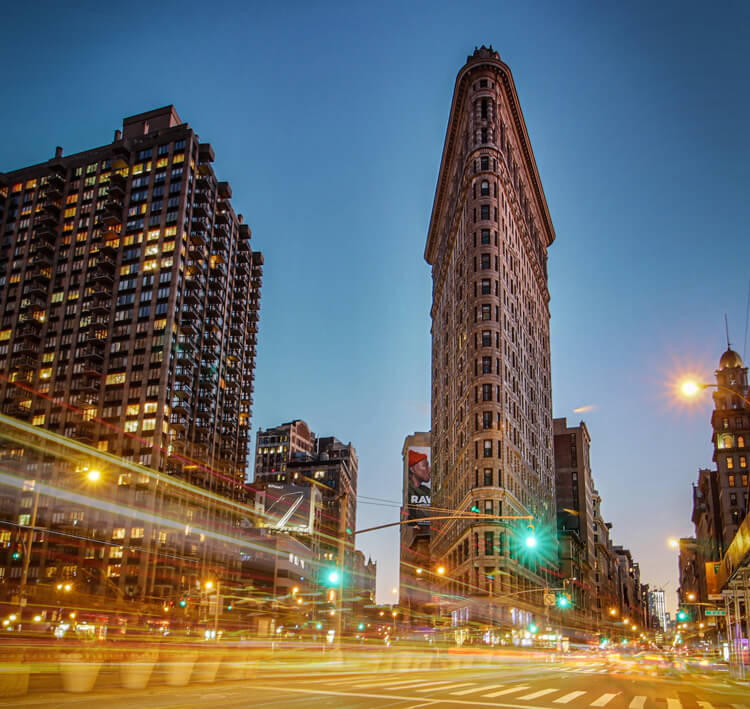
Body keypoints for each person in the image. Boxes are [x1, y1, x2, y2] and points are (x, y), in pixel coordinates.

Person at [407, 450, 431, 521]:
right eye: (424, 466)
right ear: (412, 469)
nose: (429, 470)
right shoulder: (409, 491)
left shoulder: (427, 491)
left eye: (428, 465)